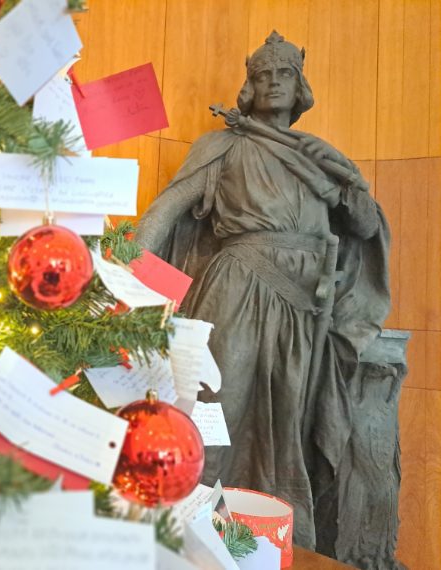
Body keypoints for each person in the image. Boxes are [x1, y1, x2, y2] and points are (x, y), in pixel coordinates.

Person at [135, 31, 390, 548]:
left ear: (300, 87)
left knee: (288, 424)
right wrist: (130, 278)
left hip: (304, 307)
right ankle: (184, 532)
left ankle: (265, 539)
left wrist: (346, 182)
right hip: (238, 288)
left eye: (284, 74)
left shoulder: (318, 154)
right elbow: (169, 208)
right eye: (263, 75)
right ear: (249, 87)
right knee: (216, 407)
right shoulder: (223, 145)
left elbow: (364, 225)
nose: (273, 82)